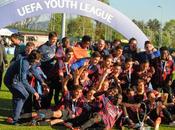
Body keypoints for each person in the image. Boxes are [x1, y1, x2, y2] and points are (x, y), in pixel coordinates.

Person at [4, 50, 40, 124]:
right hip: (11, 80)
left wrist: (42, 81)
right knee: (23, 95)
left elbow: (33, 70)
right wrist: (34, 92)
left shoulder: (29, 61)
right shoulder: (24, 63)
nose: (39, 61)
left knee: (21, 96)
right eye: (38, 60)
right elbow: (23, 80)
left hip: (16, 80)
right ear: (33, 59)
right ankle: (15, 119)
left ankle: (15, 116)